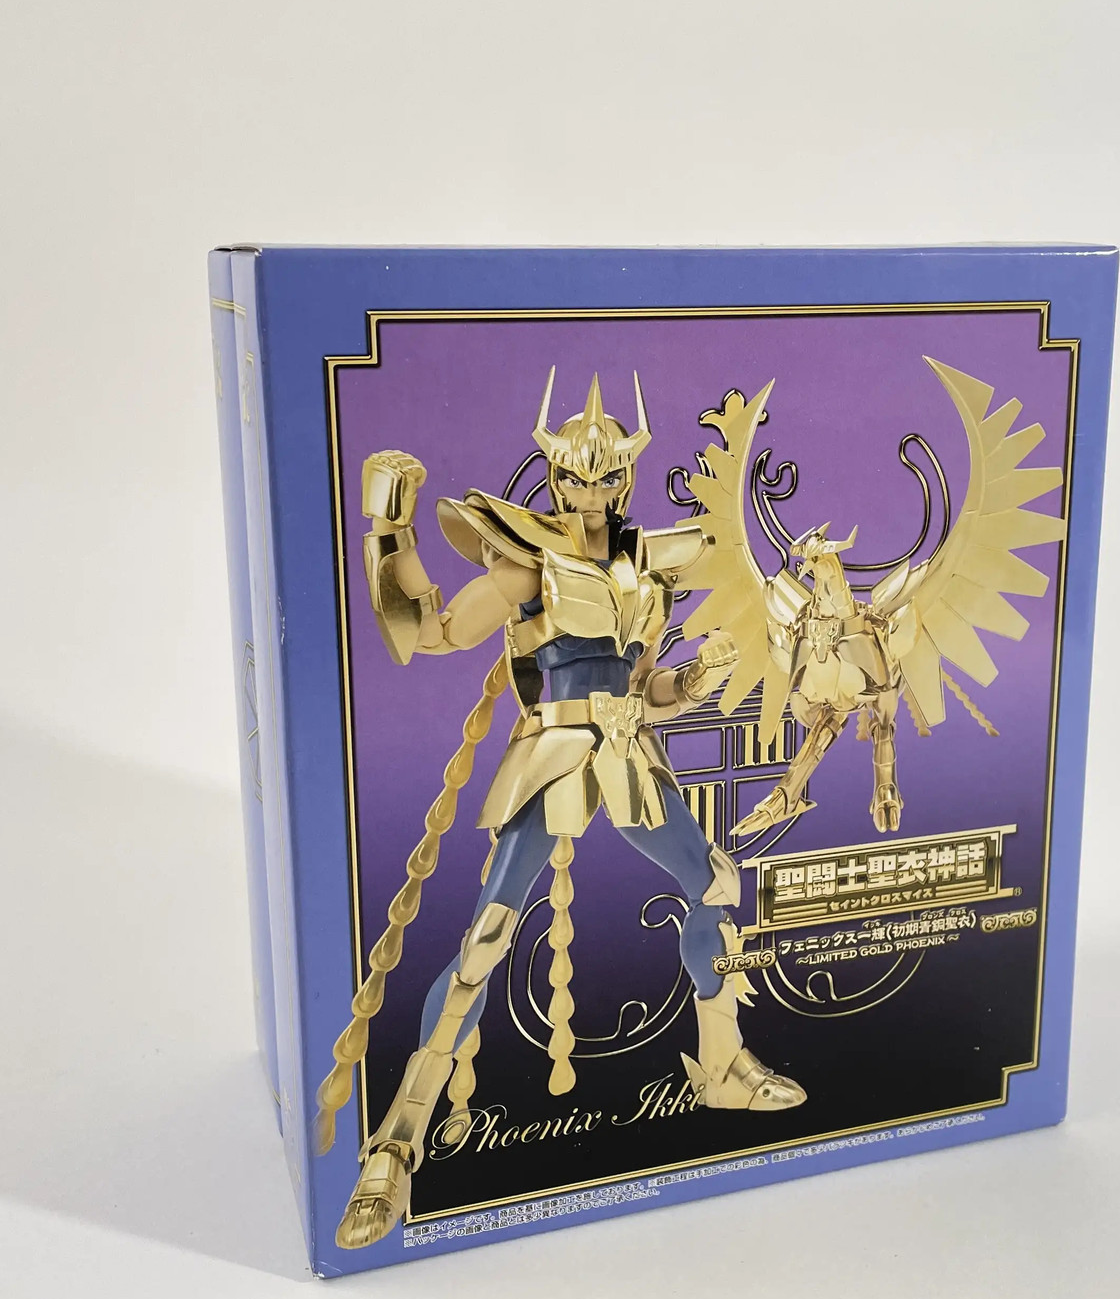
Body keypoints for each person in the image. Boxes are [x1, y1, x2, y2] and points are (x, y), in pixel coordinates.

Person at [335, 370, 805, 1249]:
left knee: (714, 886)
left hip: (631, 752)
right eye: (575, 478)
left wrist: (691, 681)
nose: (590, 493)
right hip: (553, 750)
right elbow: (430, 631)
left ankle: (722, 1066)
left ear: (626, 477)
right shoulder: (528, 561)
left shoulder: (646, 567)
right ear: (555, 475)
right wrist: (389, 527)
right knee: (487, 937)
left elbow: (644, 688)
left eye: (606, 477)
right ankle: (396, 1143)